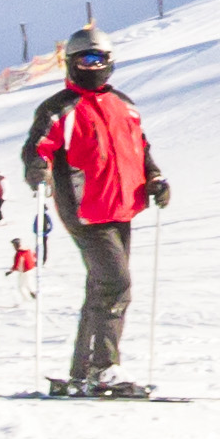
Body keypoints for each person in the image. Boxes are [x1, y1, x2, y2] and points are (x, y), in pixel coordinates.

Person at [21, 30, 167, 394]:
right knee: (116, 284)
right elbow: (37, 146)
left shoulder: (124, 105)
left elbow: (141, 147)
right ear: (72, 64)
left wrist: (155, 178)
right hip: (85, 212)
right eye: (86, 60)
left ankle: (83, 371)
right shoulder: (60, 107)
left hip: (122, 208)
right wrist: (38, 171)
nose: (94, 66)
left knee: (101, 288)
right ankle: (103, 370)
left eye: (100, 59)